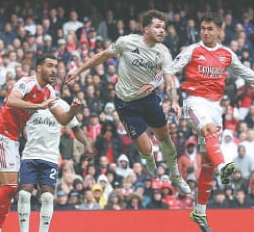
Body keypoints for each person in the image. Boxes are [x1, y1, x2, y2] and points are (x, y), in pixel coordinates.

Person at [167, 12, 254, 232]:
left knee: (207, 163)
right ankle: (225, 168)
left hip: (215, 108)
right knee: (208, 131)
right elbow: (169, 70)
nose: (205, 32)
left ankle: (200, 210)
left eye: (209, 29)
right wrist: (154, 84)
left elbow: (248, 73)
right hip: (193, 103)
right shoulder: (192, 51)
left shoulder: (226, 54)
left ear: (219, 31)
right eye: (202, 28)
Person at [66, 10, 189, 194]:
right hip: (126, 105)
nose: (162, 30)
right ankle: (149, 160)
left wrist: (174, 101)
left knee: (164, 137)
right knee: (147, 148)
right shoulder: (127, 42)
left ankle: (175, 174)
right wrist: (78, 71)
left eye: (163, 27)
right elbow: (102, 56)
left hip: (148, 100)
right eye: (157, 27)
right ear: (145, 29)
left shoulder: (163, 52)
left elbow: (169, 79)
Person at [0, 54, 66, 232]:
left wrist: (73, 110)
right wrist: (37, 106)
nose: (53, 70)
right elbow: (11, 100)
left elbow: (62, 118)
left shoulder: (49, 91)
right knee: (10, 187)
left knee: (11, 190)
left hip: (11, 138)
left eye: (56, 66)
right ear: (39, 68)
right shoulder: (26, 82)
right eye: (49, 65)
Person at [17, 97, 93, 232]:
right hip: (30, 155)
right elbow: (17, 126)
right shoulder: (29, 104)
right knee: (24, 195)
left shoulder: (62, 105)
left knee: (47, 197)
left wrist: (87, 143)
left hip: (50, 158)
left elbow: (76, 128)